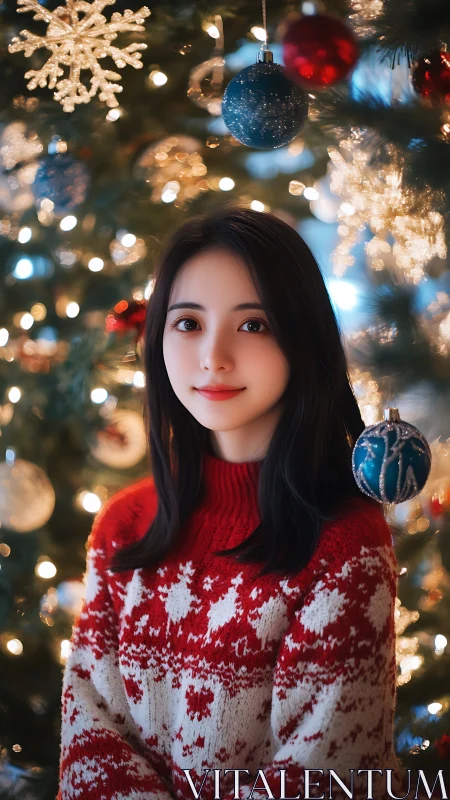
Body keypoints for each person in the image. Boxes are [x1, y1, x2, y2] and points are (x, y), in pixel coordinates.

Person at [58, 206, 407, 800]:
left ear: (301, 338)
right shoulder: (124, 524)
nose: (212, 356)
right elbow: (91, 737)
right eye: (188, 322)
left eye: (252, 324)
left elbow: (322, 776)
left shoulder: (345, 545)